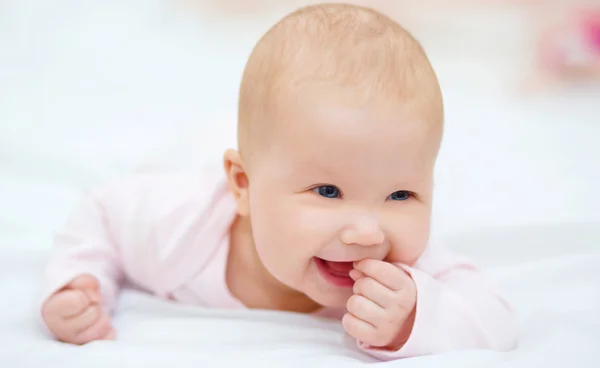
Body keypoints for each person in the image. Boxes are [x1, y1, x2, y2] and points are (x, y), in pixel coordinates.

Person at [38, 3, 516, 361]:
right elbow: (101, 212)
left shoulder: (406, 267)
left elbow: (496, 321)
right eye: (328, 192)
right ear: (242, 186)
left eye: (401, 194)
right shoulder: (177, 228)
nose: (368, 233)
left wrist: (415, 317)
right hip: (193, 154)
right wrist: (77, 283)